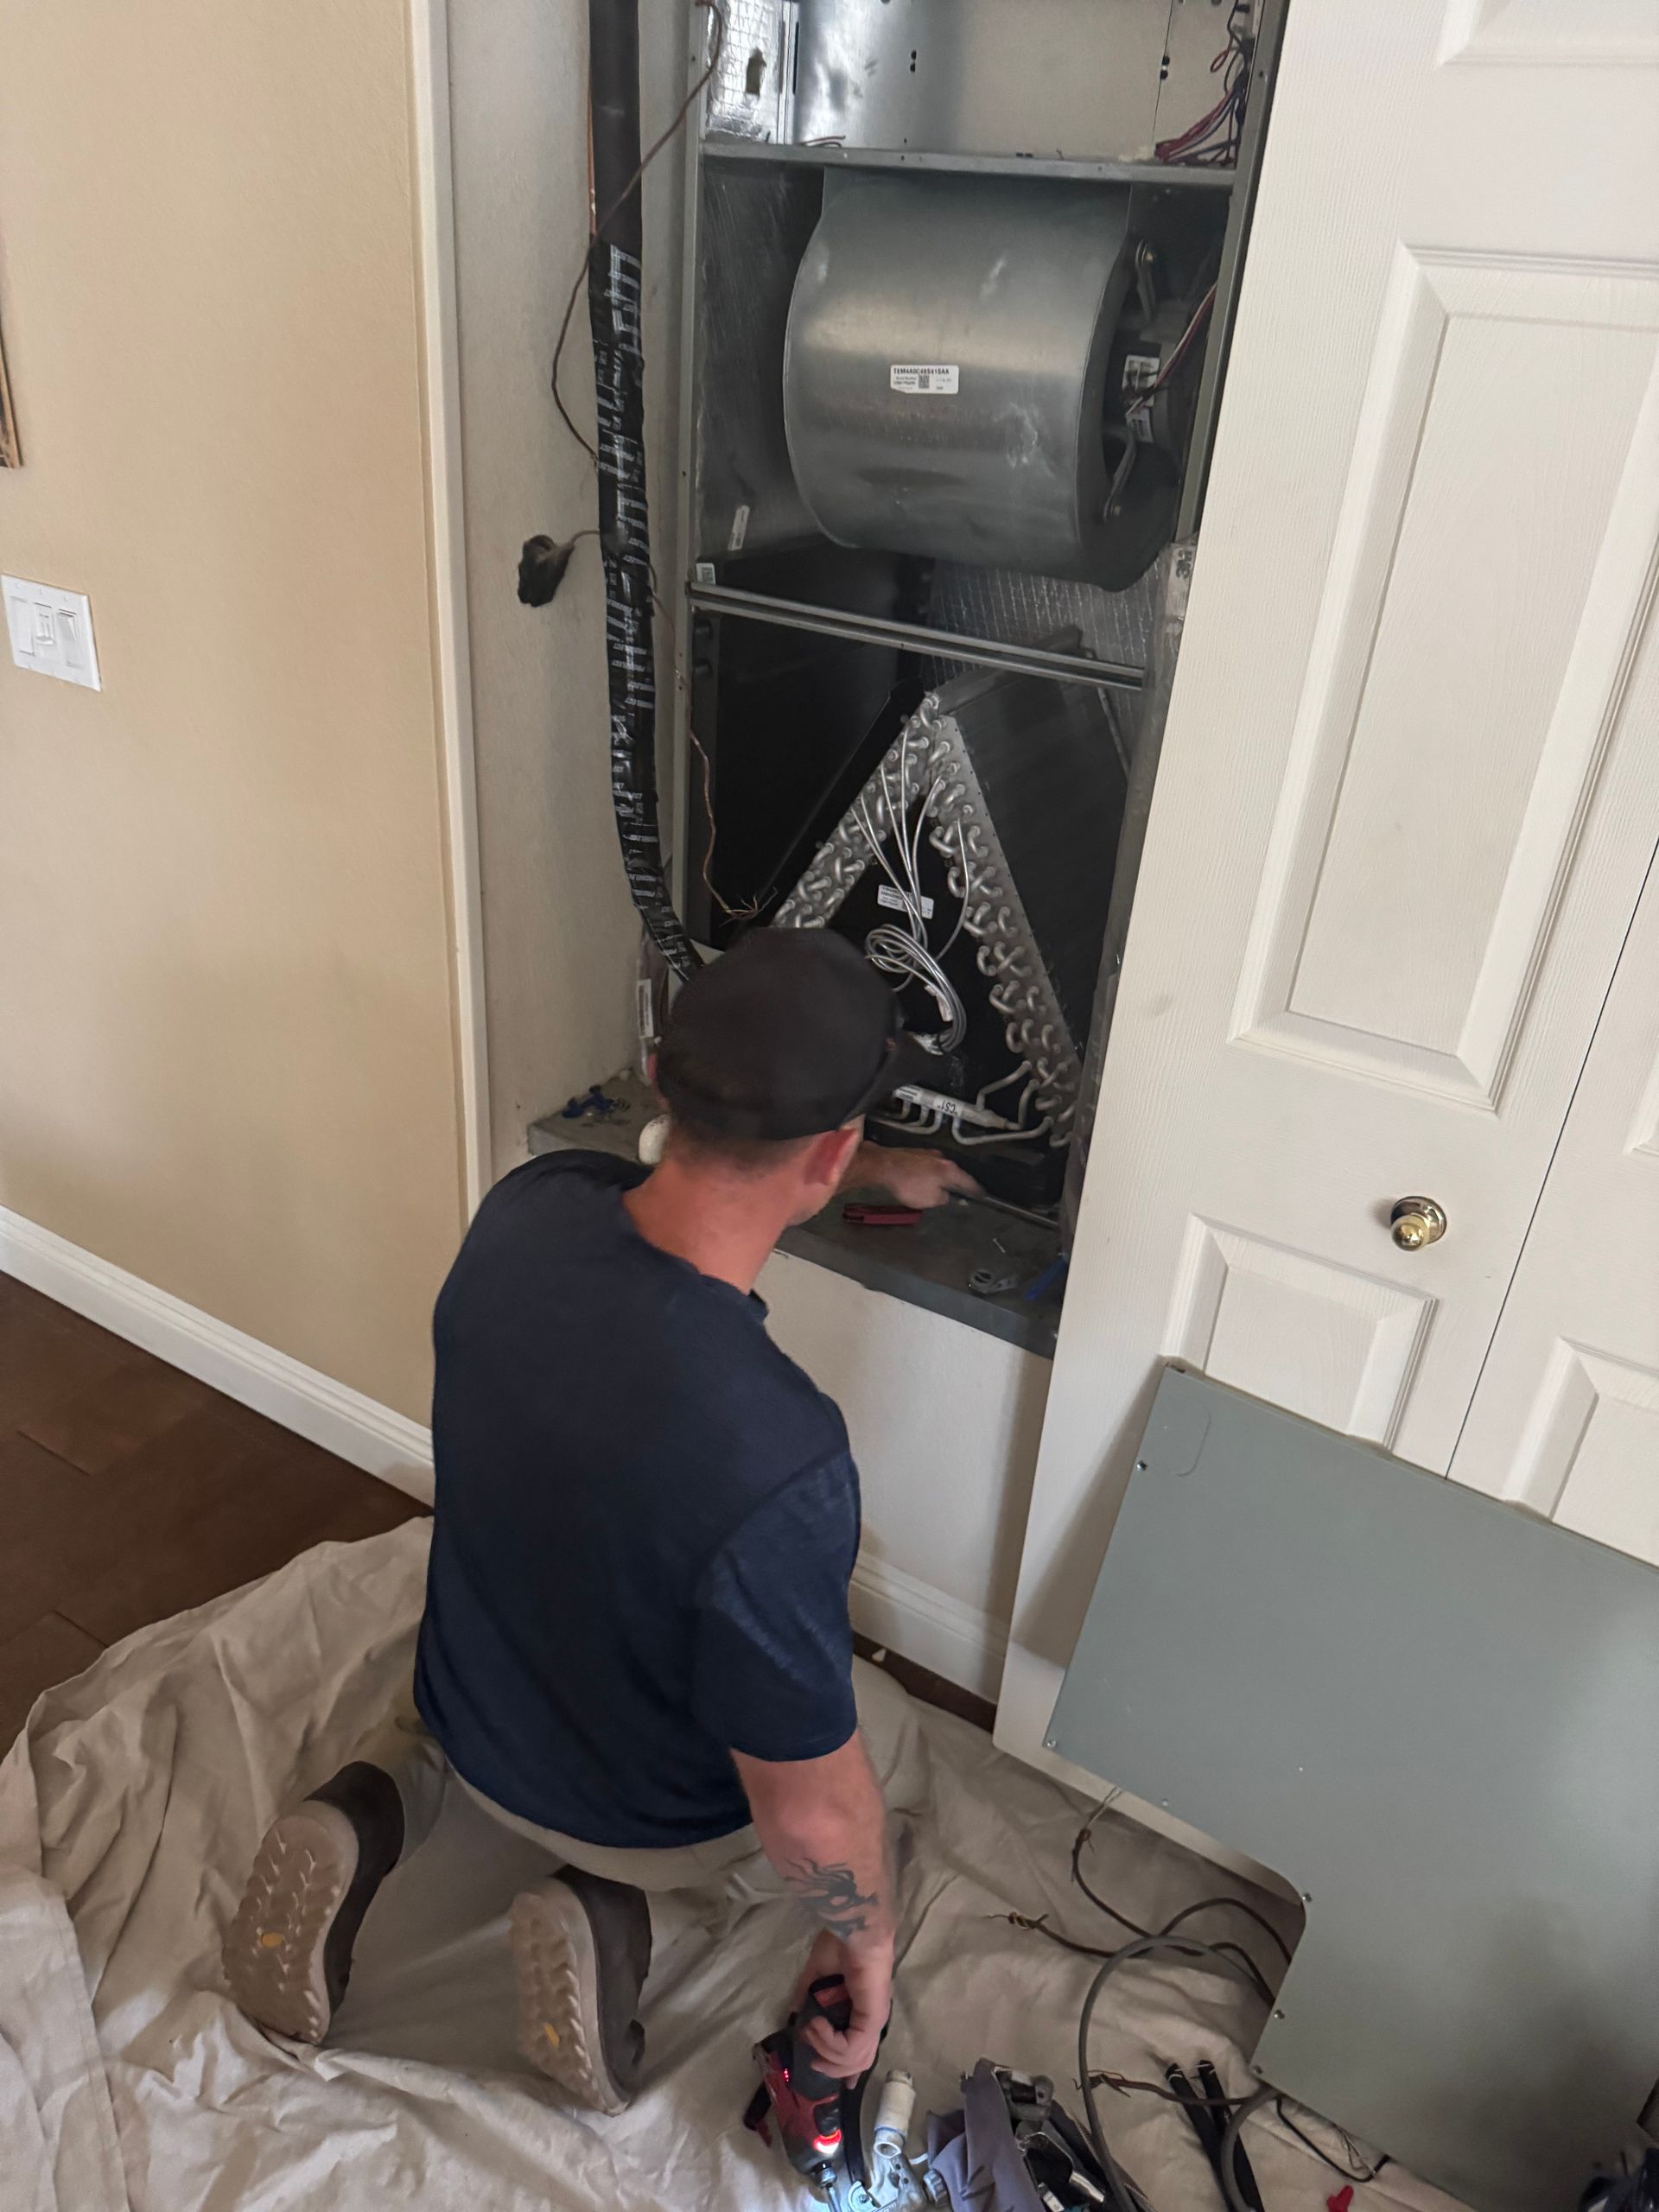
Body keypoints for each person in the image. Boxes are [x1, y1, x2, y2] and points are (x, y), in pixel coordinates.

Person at [223, 928, 976, 2113]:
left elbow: (653, 1177)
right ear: (828, 1153)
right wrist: (862, 1953)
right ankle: (617, 1911)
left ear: (663, 1079)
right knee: (872, 1764)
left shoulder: (526, 1214)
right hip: (641, 1809)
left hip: (474, 1707)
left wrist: (862, 1167)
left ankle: (370, 1807)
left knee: (432, 1693)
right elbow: (811, 1815)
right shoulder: (780, 1459)